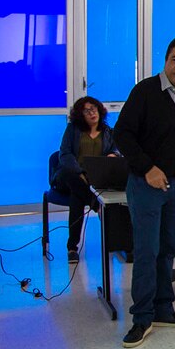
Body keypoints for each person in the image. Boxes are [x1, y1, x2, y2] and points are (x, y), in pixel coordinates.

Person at [113, 36, 175, 348]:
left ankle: (164, 309)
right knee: (147, 251)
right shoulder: (145, 91)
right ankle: (141, 317)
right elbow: (122, 134)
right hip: (146, 185)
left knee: (168, 250)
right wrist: (147, 168)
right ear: (166, 61)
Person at [52, 96, 118, 263]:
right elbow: (64, 154)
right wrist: (79, 171)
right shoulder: (73, 130)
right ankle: (96, 204)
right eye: (87, 111)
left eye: (94, 109)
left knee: (77, 198)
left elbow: (116, 150)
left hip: (92, 179)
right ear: (80, 115)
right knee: (73, 180)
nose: (92, 113)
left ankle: (72, 248)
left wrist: (114, 155)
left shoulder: (108, 131)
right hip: (70, 177)